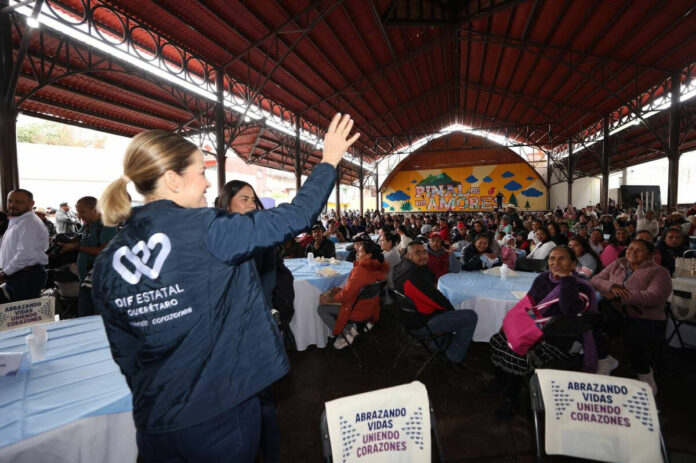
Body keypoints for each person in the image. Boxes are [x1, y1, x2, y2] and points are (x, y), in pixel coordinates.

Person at [92, 113, 359, 461]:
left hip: (154, 420)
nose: (206, 184)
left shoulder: (107, 260)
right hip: (218, 412)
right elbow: (296, 215)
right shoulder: (209, 230)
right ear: (173, 180)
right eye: (201, 173)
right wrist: (329, 161)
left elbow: (124, 351)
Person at [488, 246, 599, 418]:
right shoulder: (542, 279)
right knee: (499, 338)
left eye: (561, 259)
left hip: (559, 339)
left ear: (573, 264)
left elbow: (569, 311)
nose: (555, 262)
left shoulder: (582, 287)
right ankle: (501, 380)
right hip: (536, 328)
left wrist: (566, 280)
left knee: (518, 351)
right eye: (552, 258)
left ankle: (512, 397)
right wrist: (518, 323)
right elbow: (529, 303)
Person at [591, 240, 672, 394]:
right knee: (590, 322)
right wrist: (611, 286)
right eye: (630, 248)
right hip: (617, 314)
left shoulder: (660, 272)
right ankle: (604, 358)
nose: (632, 252)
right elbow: (595, 280)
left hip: (647, 317)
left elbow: (653, 297)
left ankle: (645, 374)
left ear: (649, 255)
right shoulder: (618, 264)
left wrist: (619, 296)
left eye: (639, 250)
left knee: (632, 336)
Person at [393, 241, 478, 369]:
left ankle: (436, 344)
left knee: (448, 308)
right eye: (417, 253)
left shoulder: (402, 268)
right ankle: (454, 356)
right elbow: (436, 300)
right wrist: (451, 311)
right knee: (470, 316)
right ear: (408, 256)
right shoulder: (414, 276)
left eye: (424, 252)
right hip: (421, 324)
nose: (423, 256)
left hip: (410, 317)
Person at [317, 240, 388, 349]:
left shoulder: (361, 270)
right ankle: (351, 327)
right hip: (370, 307)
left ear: (368, 255)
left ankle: (345, 332)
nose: (356, 254)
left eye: (359, 252)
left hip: (356, 309)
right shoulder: (379, 268)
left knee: (321, 308)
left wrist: (331, 299)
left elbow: (346, 296)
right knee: (336, 292)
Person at [57, 196, 118, 316]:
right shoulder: (87, 225)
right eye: (78, 211)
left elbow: (104, 250)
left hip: (100, 281)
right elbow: (77, 240)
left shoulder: (107, 224)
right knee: (85, 315)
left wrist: (76, 247)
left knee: (96, 317)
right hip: (85, 280)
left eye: (82, 211)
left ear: (95, 209)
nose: (79, 215)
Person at [0, 189, 49, 303]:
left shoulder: (29, 223)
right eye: (10, 201)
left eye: (18, 202)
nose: (12, 205)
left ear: (31, 204)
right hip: (19, 274)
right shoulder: (20, 220)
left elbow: (25, 254)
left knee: (22, 318)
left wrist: (5, 273)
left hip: (25, 276)